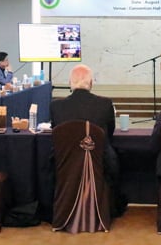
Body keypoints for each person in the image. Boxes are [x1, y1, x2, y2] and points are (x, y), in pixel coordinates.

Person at [49, 64, 125, 217]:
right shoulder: (105, 104)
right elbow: (108, 134)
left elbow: (56, 134)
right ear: (91, 83)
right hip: (99, 161)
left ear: (70, 83)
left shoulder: (55, 106)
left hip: (65, 162)